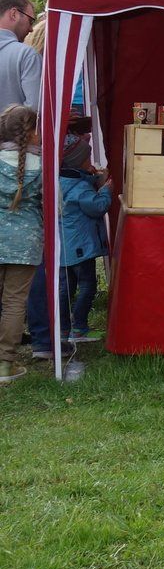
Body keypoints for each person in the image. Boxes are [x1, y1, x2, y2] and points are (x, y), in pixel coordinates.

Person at [57, 132, 112, 343]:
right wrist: (106, 190)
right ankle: (79, 326)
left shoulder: (62, 180)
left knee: (66, 287)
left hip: (65, 245)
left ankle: (63, 328)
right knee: (88, 285)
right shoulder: (80, 188)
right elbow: (97, 207)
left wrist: (94, 179)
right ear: (78, 161)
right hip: (81, 245)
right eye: (87, 159)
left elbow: (80, 183)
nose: (90, 162)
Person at [0, 104, 41, 382]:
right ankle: (5, 364)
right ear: (34, 132)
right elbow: (58, 206)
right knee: (14, 302)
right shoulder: (43, 166)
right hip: (26, 242)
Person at [0, 0, 41, 110]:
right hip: (14, 129)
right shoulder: (27, 55)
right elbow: (35, 110)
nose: (31, 29)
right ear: (14, 14)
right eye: (30, 21)